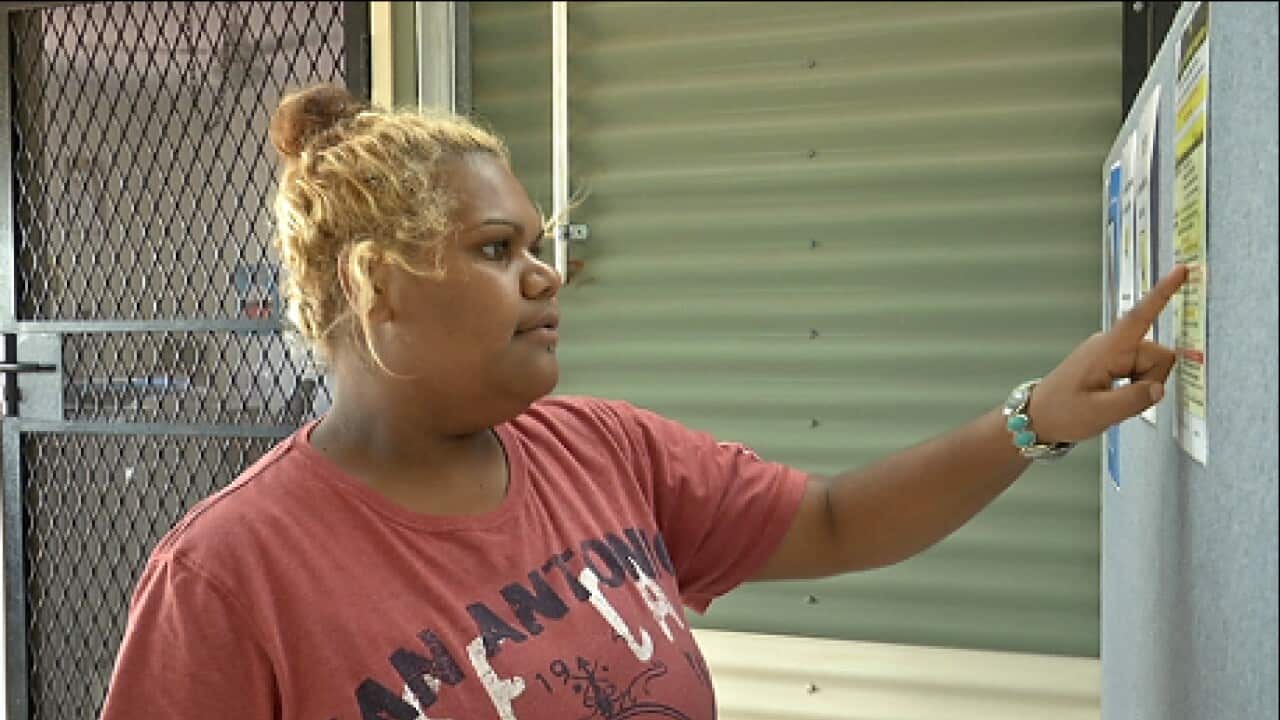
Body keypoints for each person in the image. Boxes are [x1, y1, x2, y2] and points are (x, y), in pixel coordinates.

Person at [99, 83, 1188, 720]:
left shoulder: (602, 448)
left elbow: (833, 521)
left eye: (538, 245)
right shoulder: (224, 578)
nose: (546, 277)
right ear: (377, 284)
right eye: (497, 249)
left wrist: (1035, 419)